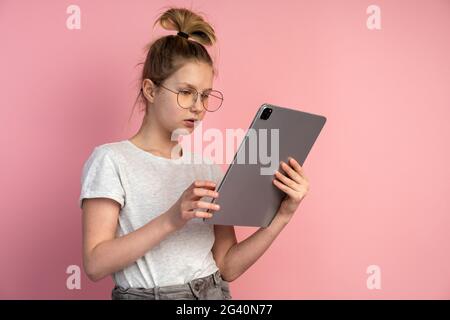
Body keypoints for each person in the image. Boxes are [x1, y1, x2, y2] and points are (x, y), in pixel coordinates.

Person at [79, 6, 310, 300]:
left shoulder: (208, 170)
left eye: (205, 95)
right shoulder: (111, 160)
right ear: (150, 90)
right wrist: (172, 219)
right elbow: (95, 264)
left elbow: (228, 266)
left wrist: (283, 216)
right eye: (186, 92)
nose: (198, 106)